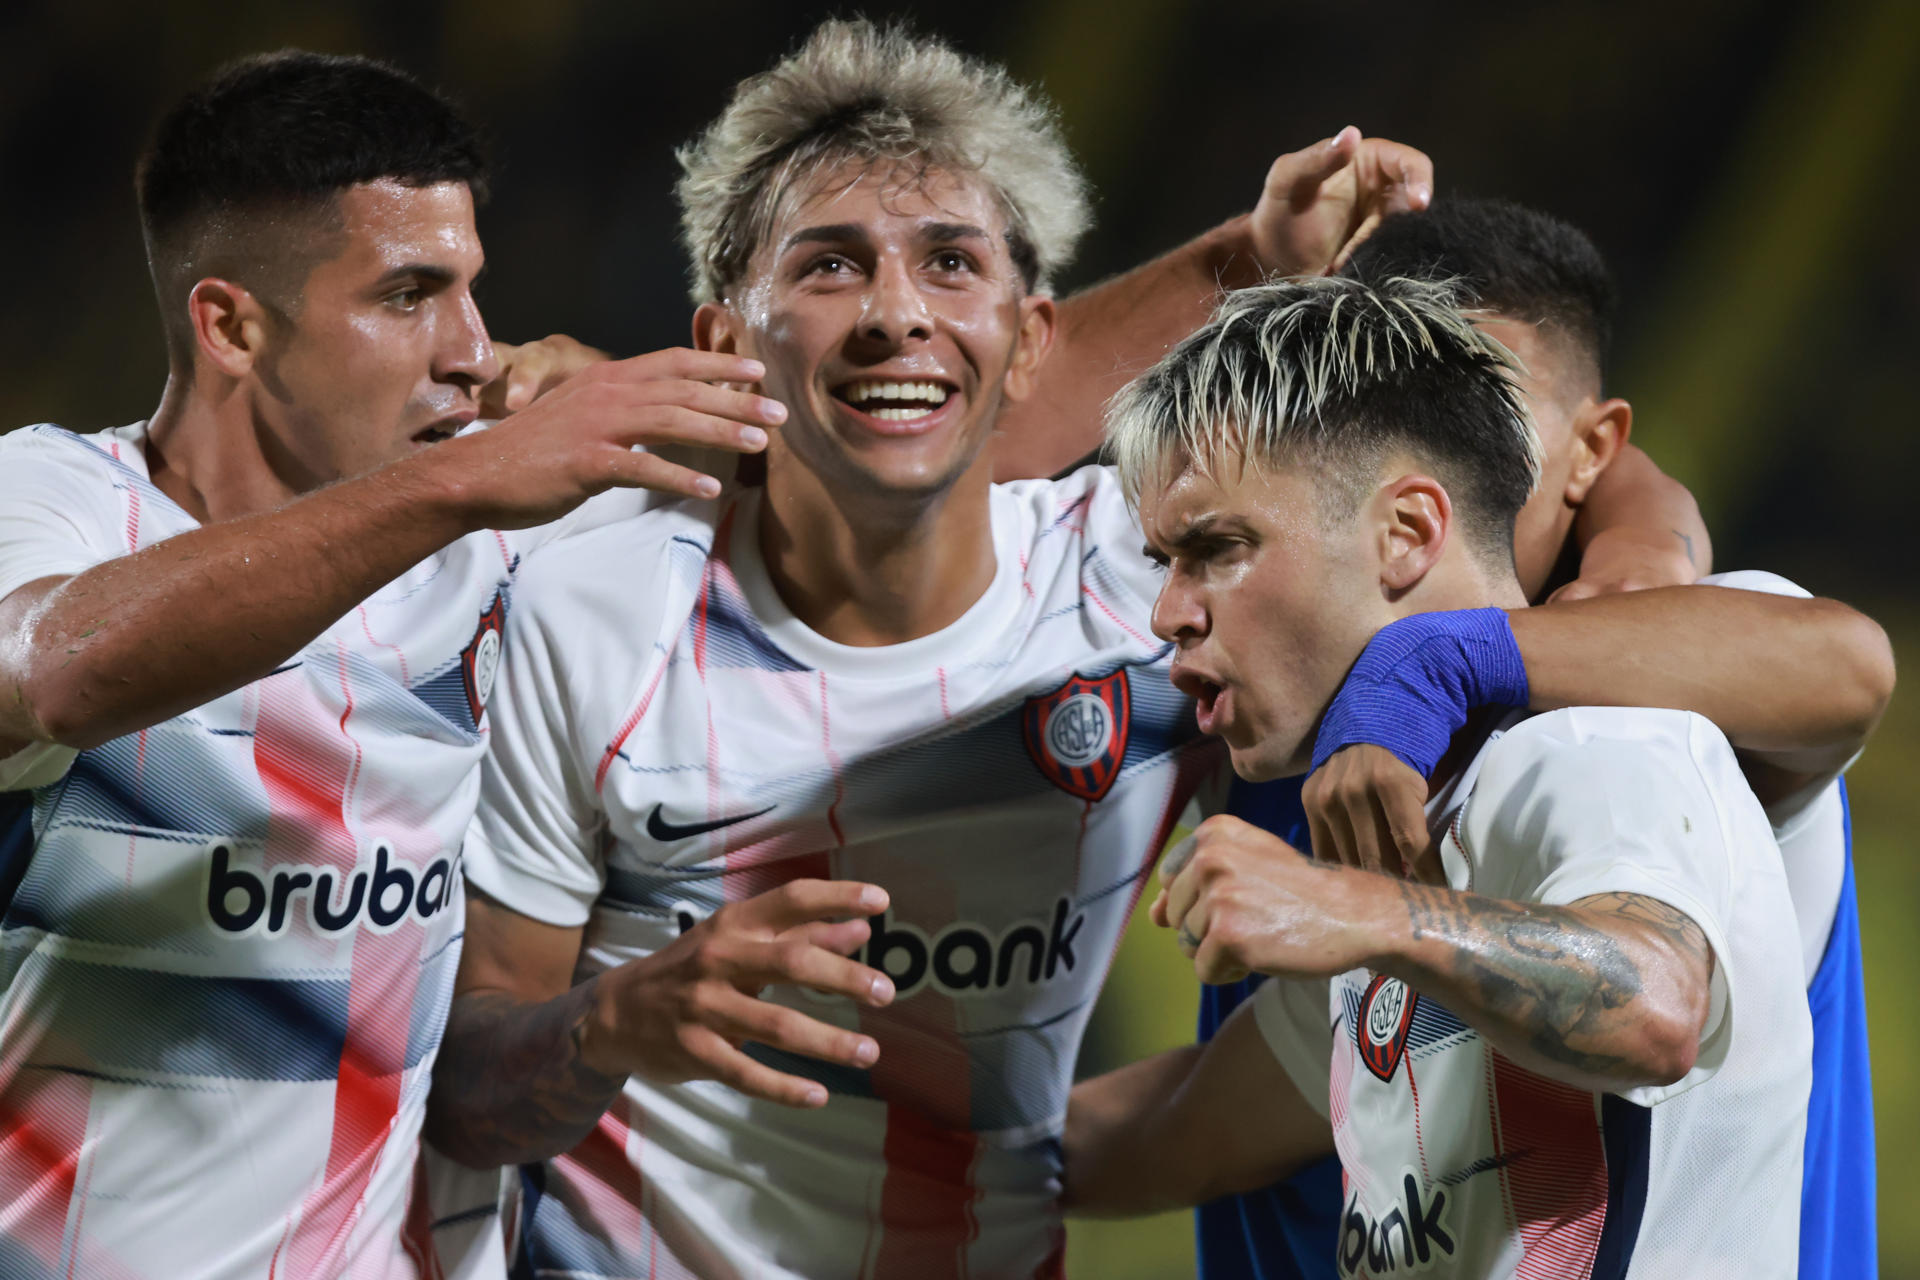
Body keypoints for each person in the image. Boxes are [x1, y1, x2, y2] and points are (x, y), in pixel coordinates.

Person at [425, 22, 1885, 1280]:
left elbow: (1675, 957)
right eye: (1179, 555)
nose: (1172, 608)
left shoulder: (1613, 705)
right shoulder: (1248, 668)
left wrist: (1446, 677)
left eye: (1213, 556)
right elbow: (1174, 1129)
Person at [0, 51, 790, 1278]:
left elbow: (927, 459)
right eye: (409, 292)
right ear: (231, 324)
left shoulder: (504, 536)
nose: (474, 347)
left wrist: (1210, 272)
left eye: (473, 288)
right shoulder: (54, 498)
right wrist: (464, 480)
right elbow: (52, 673)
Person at [1164, 199, 1882, 1280]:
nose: (1454, 440)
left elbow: (1847, 664)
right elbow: (1201, 1113)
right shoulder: (1276, 667)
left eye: (1485, 403)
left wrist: (1441, 658)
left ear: (1594, 452)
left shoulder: (1645, 687)